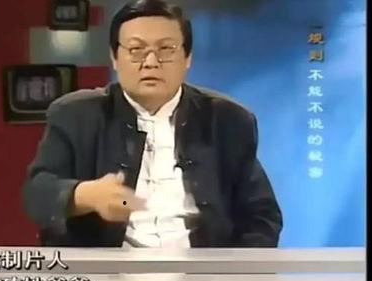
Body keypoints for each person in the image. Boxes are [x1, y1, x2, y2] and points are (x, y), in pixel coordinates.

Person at [22, 0, 283, 248]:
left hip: (203, 272)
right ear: (115, 57)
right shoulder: (75, 115)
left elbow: (262, 215)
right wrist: (85, 195)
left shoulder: (227, 120)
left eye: (165, 49)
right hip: (106, 272)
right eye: (136, 50)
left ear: (187, 57)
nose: (150, 62)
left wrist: (233, 272)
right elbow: (36, 194)